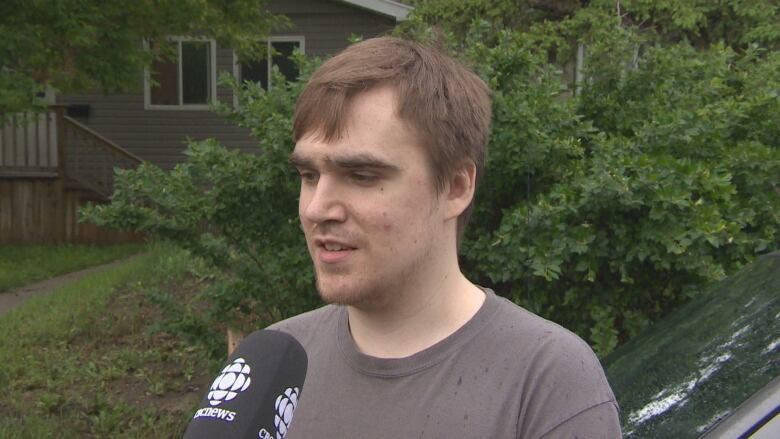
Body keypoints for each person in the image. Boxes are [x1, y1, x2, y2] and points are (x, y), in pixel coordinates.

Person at [270, 36, 621, 438]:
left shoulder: (546, 382)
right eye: (309, 176)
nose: (317, 209)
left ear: (456, 187)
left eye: (362, 176)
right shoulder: (274, 365)